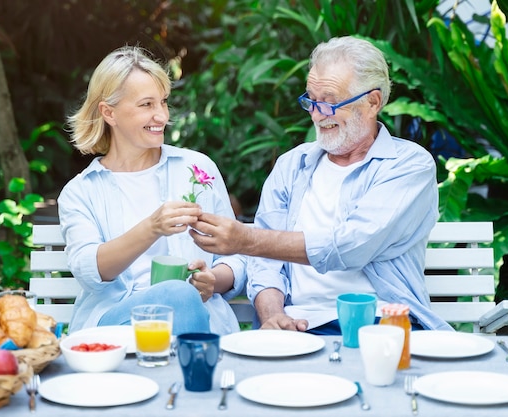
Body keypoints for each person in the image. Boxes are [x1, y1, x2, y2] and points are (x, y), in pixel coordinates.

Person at [190, 36, 452, 333]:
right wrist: (273, 315)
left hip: (383, 322)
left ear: (372, 102)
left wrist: (247, 240)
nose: (316, 114)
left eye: (329, 102)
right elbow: (265, 264)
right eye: (311, 101)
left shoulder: (408, 165)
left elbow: (350, 246)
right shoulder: (291, 166)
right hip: (300, 325)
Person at [57, 45, 246, 335]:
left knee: (183, 296)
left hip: (198, 317)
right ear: (109, 112)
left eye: (163, 102)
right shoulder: (81, 192)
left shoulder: (196, 168)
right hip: (118, 328)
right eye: (147, 105)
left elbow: (235, 254)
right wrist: (152, 227)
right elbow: (90, 272)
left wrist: (214, 280)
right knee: (178, 294)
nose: (162, 116)